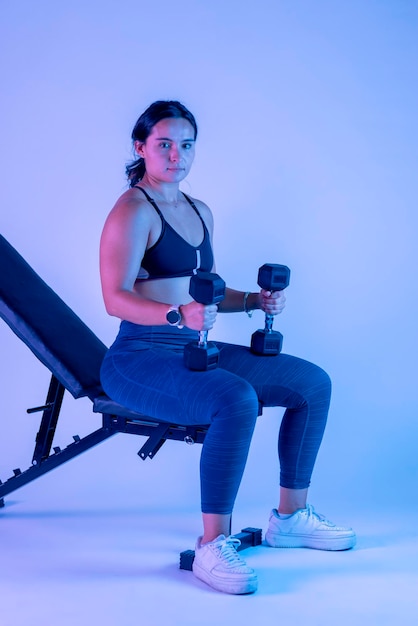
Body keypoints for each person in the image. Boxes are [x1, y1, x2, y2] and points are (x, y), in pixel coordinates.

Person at [99, 100, 355, 595]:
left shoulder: (199, 210)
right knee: (233, 398)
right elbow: (115, 299)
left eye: (186, 145)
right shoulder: (131, 210)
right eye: (164, 144)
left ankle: (290, 517)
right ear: (141, 148)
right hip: (137, 357)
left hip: (191, 347)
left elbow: (207, 290)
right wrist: (176, 315)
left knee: (311, 384)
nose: (177, 155)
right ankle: (211, 546)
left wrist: (255, 300)